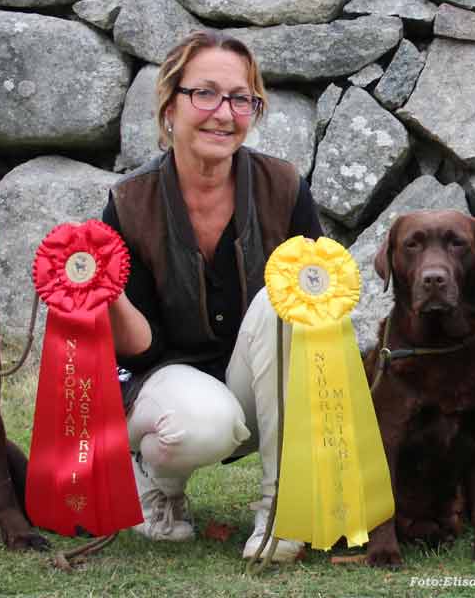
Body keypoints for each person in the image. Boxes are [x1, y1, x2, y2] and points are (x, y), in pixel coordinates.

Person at [102, 30, 323, 562]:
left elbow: (320, 304)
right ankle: (158, 485)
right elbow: (137, 349)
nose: (224, 113)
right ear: (170, 105)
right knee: (203, 424)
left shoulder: (285, 186)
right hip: (163, 379)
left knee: (286, 299)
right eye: (205, 93)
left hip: (257, 380)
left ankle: (281, 509)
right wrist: (104, 293)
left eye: (241, 98)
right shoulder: (129, 203)